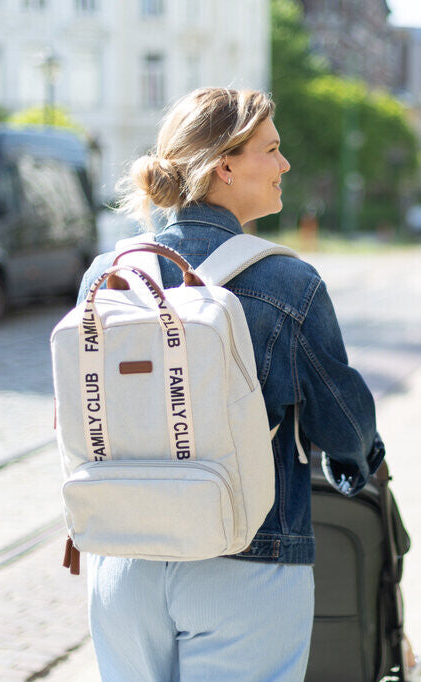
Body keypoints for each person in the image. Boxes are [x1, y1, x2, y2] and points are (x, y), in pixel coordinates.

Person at [77, 88, 385, 681]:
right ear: (224, 165)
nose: (284, 165)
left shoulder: (107, 274)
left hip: (123, 560)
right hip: (246, 556)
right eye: (271, 150)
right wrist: (356, 461)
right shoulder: (287, 282)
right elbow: (344, 424)